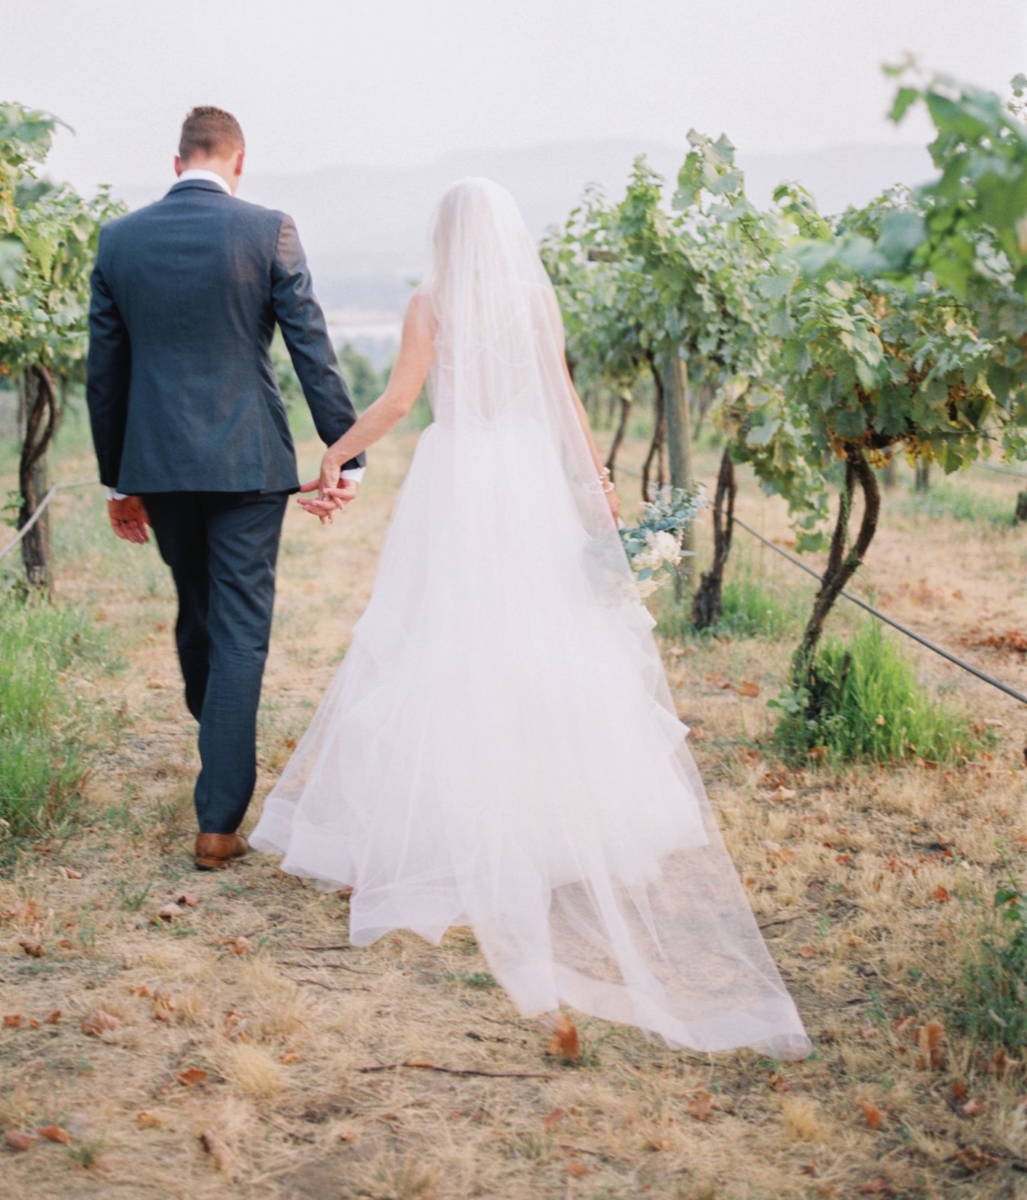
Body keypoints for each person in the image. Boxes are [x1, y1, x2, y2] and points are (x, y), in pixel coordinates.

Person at [252, 177, 810, 1059]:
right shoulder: (535, 297)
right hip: (526, 479)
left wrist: (337, 450)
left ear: (445, 235)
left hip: (461, 477)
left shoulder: (429, 302)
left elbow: (399, 402)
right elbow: (566, 405)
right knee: (541, 639)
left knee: (446, 639)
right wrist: (599, 500)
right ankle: (551, 827)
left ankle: (455, 829)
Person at [85, 105, 365, 872]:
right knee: (238, 627)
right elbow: (311, 344)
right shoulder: (268, 229)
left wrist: (120, 479)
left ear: (178, 164)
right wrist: (347, 451)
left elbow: (104, 373)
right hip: (248, 464)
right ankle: (218, 823)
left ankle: (218, 755)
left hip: (160, 464)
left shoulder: (120, 239)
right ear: (239, 163)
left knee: (196, 608)